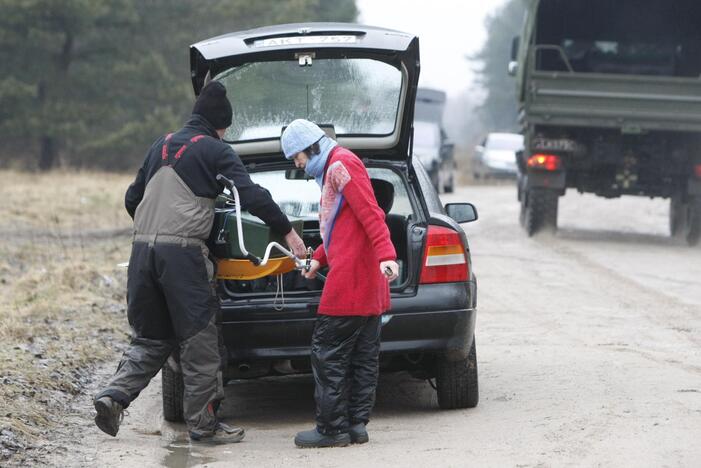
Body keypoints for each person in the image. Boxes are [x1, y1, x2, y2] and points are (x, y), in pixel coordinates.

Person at [93, 81, 305, 444]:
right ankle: (204, 427)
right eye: (225, 127)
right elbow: (252, 195)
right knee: (199, 341)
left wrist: (156, 230)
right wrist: (287, 232)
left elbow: (133, 199)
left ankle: (113, 396)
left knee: (152, 337)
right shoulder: (215, 149)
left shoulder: (159, 145)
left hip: (142, 252)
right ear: (220, 124)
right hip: (182, 257)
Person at [280, 119, 399, 448]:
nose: (297, 164)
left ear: (312, 146)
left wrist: (387, 254)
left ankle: (332, 429)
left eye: (297, 156)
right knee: (363, 355)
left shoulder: (341, 165)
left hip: (351, 282)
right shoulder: (334, 166)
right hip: (367, 283)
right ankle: (357, 425)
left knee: (328, 355)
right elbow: (342, 227)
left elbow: (371, 212)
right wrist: (319, 256)